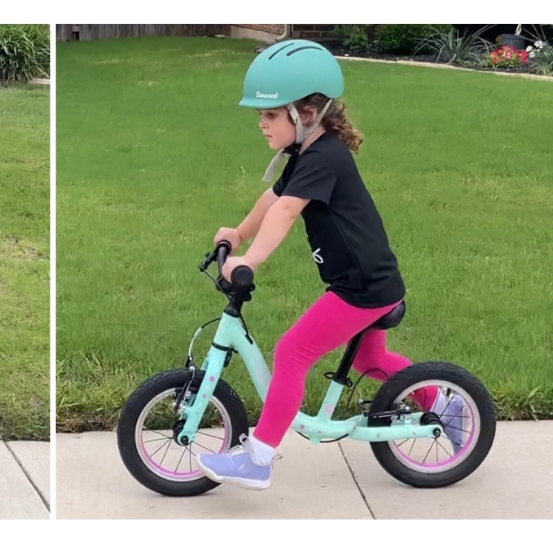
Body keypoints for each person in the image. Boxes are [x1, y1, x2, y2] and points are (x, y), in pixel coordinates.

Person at [193, 39, 469, 491]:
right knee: (371, 357)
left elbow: (286, 212)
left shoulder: (325, 156)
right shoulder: (308, 152)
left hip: (361, 285)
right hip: (369, 278)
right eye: (261, 115)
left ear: (305, 114)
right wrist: (239, 233)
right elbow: (274, 197)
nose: (261, 124)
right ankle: (443, 402)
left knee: (292, 352)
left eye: (270, 115)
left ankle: (259, 457)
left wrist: (250, 261)